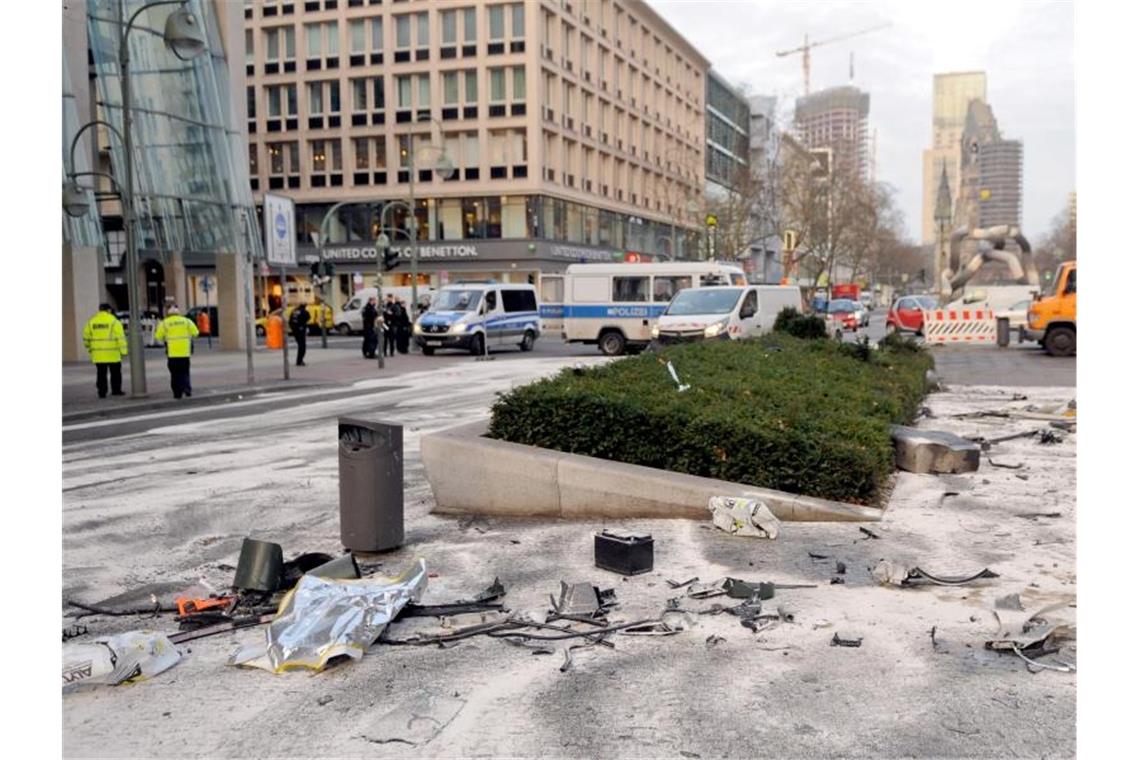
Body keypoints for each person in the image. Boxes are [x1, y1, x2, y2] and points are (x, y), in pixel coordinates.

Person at [82, 303, 128, 398]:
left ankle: (102, 392)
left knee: (101, 373)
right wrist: (124, 351)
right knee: (115, 373)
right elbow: (120, 338)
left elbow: (86, 337)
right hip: (113, 353)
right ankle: (116, 390)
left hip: (98, 354)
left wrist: (89, 347)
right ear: (109, 310)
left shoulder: (92, 322)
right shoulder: (114, 322)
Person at [154, 304, 199, 399]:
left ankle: (177, 393)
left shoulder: (165, 323)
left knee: (174, 374)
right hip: (185, 353)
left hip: (172, 354)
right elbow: (196, 333)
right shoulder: (186, 321)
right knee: (185, 372)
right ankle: (187, 389)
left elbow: (158, 337)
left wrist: (167, 338)